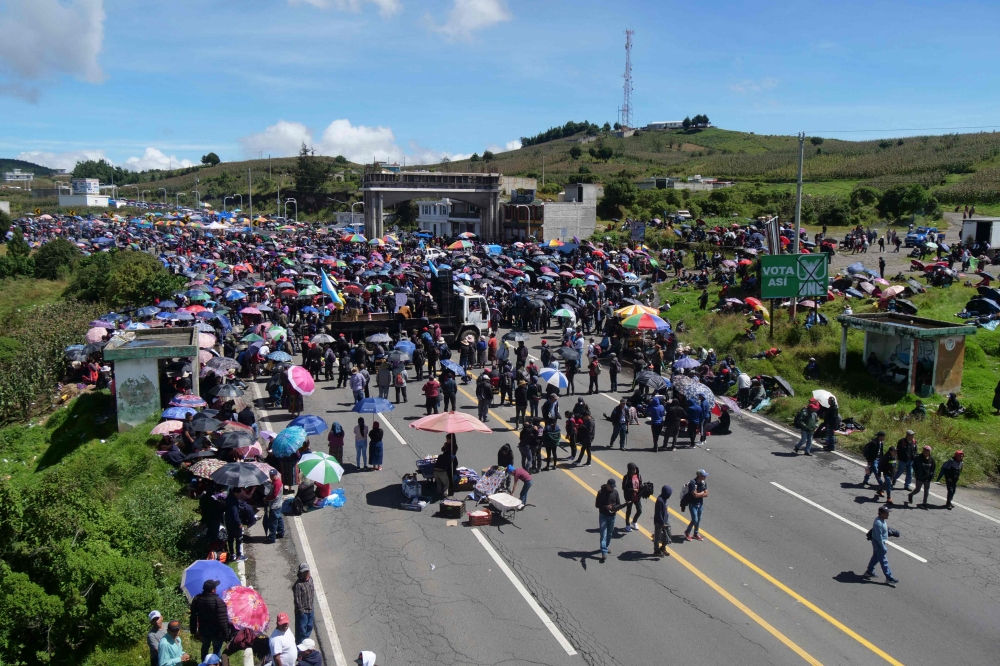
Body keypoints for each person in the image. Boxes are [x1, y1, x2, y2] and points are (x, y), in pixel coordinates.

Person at [189, 579, 229, 661]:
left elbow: (193, 616)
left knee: (204, 647)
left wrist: (193, 630)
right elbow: (223, 621)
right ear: (213, 590)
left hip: (203, 631)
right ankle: (215, 663)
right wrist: (226, 635)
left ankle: (204, 662)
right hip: (217, 633)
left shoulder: (197, 599)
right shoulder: (219, 602)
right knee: (217, 650)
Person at [863, 505, 900, 585]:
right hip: (878, 543)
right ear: (881, 513)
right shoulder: (878, 523)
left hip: (878, 542)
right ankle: (889, 577)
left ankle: (869, 571)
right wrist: (883, 547)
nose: (888, 515)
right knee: (883, 560)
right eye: (887, 513)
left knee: (876, 557)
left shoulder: (882, 520)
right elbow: (879, 538)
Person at [596, 478, 621, 563]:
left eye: (613, 487)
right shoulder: (600, 492)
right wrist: (606, 507)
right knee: (603, 534)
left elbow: (619, 504)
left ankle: (606, 547)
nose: (613, 488)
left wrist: (613, 507)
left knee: (610, 533)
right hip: (603, 516)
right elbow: (597, 505)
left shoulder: (615, 492)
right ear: (607, 485)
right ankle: (604, 552)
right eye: (611, 487)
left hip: (612, 516)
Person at [293, 563, 315, 643]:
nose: (306, 573)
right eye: (304, 572)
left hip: (311, 609)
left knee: (309, 626)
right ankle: (300, 645)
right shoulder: (298, 585)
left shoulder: (310, 579)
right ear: (300, 573)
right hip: (303, 612)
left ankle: (305, 642)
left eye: (307, 571)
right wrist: (302, 612)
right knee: (301, 630)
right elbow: (297, 601)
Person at [683, 469, 708, 541]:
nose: (705, 477)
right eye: (704, 476)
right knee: (695, 520)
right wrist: (702, 493)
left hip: (700, 504)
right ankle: (687, 532)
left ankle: (695, 533)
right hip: (693, 504)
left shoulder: (704, 483)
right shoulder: (692, 483)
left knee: (698, 519)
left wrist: (699, 494)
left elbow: (706, 494)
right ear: (699, 476)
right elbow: (695, 495)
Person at [264, 468, 285, 544]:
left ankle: (272, 538)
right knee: (279, 518)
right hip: (278, 504)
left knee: (273, 522)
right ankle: (281, 532)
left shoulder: (277, 483)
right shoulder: (276, 482)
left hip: (275, 506)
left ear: (276, 475)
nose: (271, 477)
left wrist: (266, 498)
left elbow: (274, 496)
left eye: (273, 475)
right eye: (271, 475)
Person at [622, 462, 643, 533]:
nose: (635, 470)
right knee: (629, 511)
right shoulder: (626, 477)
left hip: (637, 497)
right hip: (629, 497)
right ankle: (627, 525)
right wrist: (632, 490)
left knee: (639, 510)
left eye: (636, 469)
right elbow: (624, 487)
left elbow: (640, 485)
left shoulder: (638, 476)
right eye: (634, 469)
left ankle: (634, 521)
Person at [653, 485, 672, 557]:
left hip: (665, 520)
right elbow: (658, 513)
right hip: (659, 522)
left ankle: (663, 547)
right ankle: (656, 549)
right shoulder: (660, 500)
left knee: (668, 534)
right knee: (657, 536)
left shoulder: (665, 499)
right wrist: (662, 522)